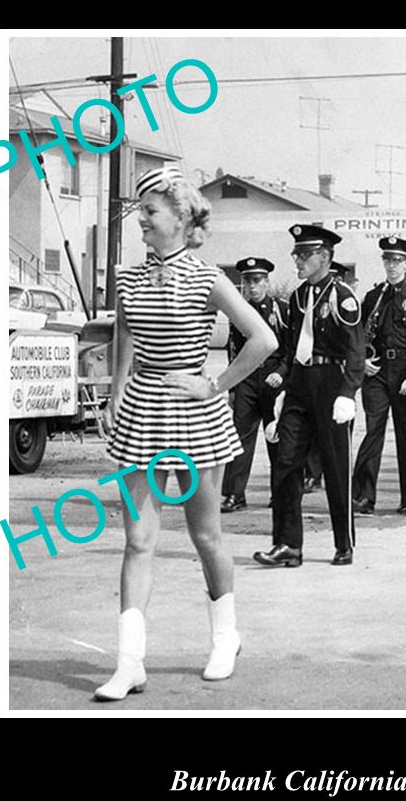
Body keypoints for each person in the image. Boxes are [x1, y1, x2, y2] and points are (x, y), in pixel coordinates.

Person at [96, 166, 278, 701]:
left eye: (149, 212)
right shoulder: (127, 277)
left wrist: (214, 385)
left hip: (196, 415)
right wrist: (114, 393)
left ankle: (226, 638)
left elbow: (262, 339)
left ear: (178, 216)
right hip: (140, 415)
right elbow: (124, 332)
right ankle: (130, 663)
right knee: (137, 540)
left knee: (205, 538)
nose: (142, 222)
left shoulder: (207, 277)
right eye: (140, 214)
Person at [254, 224, 363, 568]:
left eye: (304, 254)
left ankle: (343, 543)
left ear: (324, 257)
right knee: (285, 463)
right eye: (296, 254)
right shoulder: (300, 297)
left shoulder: (342, 296)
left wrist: (348, 392)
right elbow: (290, 350)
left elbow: (356, 349)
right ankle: (288, 545)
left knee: (335, 468)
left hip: (331, 383)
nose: (297, 260)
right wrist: (281, 394)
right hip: (300, 383)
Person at [351, 237, 406, 515]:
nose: (392, 266)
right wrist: (362, 361)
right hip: (376, 372)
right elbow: (358, 334)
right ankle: (364, 496)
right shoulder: (373, 297)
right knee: (373, 431)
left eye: (398, 261)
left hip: (404, 374)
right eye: (388, 260)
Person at [221, 258, 290, 513]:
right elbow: (233, 351)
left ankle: (280, 494)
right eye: (247, 281)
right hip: (248, 381)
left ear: (267, 282)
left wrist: (282, 374)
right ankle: (235, 495)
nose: (251, 286)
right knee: (240, 438)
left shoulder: (282, 310)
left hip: (274, 379)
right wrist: (232, 386)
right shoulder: (240, 313)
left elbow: (291, 349)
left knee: (277, 438)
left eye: (257, 280)